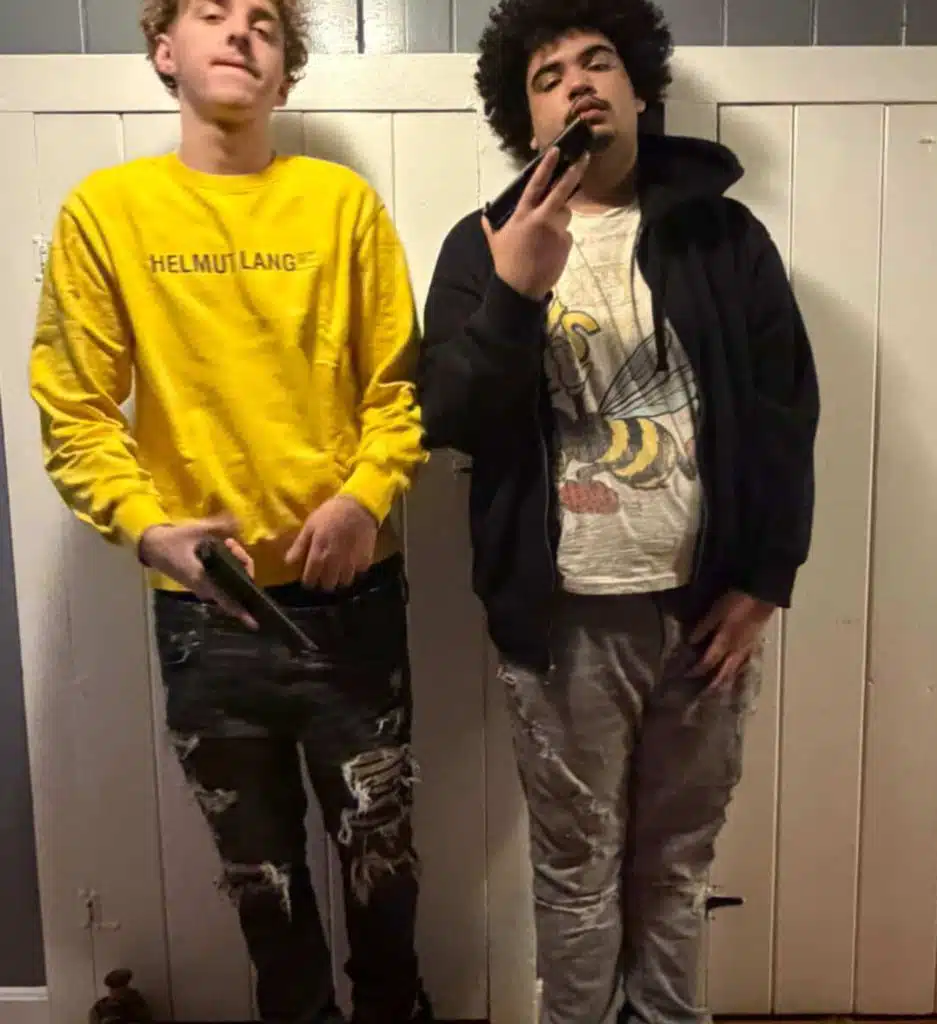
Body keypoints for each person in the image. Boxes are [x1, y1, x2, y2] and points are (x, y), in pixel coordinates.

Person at [28, 1, 432, 1021]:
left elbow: (399, 389)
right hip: (207, 615)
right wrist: (145, 528)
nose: (241, 30)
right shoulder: (106, 213)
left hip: (352, 603)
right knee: (264, 889)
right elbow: (75, 412)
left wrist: (364, 496)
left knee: (384, 873)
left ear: (286, 70)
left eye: (264, 21)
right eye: (212, 12)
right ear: (165, 51)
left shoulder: (340, 205)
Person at [417, 1, 820, 1022]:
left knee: (677, 864)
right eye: (548, 77)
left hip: (707, 612)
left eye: (598, 64)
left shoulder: (723, 236)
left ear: (638, 88)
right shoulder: (481, 245)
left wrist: (765, 581)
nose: (578, 85)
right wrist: (515, 292)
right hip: (561, 618)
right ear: (526, 119)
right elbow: (447, 416)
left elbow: (785, 409)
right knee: (576, 871)